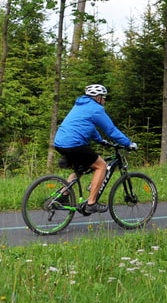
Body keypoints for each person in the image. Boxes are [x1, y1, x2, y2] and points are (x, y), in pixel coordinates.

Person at [53, 84, 137, 213]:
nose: (104, 101)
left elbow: (88, 127)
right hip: (75, 144)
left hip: (60, 143)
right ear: (98, 98)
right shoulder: (96, 109)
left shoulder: (80, 105)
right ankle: (91, 203)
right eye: (104, 98)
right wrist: (128, 143)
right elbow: (111, 130)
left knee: (80, 169)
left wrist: (100, 141)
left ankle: (62, 196)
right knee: (101, 166)